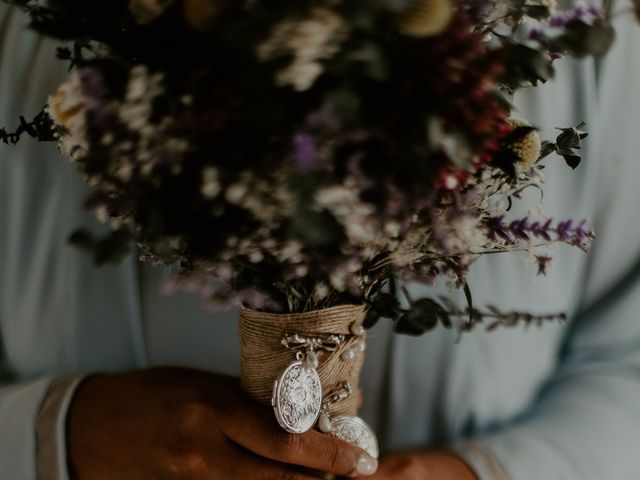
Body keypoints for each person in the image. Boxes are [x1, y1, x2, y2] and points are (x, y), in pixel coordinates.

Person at [1, 2, 640, 479]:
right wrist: (56, 435)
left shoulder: (577, 33)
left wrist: (491, 472)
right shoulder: (26, 27)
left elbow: (627, 359)